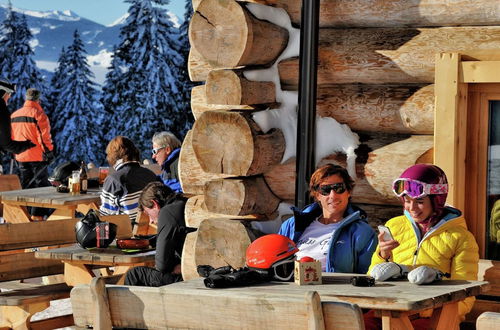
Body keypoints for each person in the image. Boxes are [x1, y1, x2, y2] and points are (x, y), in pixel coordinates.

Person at [366, 164, 479, 329]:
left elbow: (465, 296)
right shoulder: (395, 226)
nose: (412, 208)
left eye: (419, 201)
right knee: (356, 322)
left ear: (436, 200)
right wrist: (382, 256)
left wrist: (424, 310)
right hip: (391, 308)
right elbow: (372, 277)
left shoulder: (461, 238)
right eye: (407, 201)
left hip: (433, 316)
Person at [278, 163, 377, 273]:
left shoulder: (362, 232)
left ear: (349, 192)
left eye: (339, 188)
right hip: (290, 288)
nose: (333, 195)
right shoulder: (291, 226)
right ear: (317, 195)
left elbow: (367, 274)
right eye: (325, 190)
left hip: (334, 288)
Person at [124, 182, 194, 287]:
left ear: (155, 204)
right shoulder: (184, 203)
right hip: (201, 266)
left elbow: (162, 265)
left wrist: (178, 266)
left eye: (148, 214)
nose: (151, 221)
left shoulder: (167, 212)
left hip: (190, 275)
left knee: (134, 275)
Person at [99, 136, 157, 227]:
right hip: (150, 229)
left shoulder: (114, 180)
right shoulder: (150, 174)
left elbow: (105, 216)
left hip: (126, 233)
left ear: (113, 156)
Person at [0, 80, 35, 157]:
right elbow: (7, 144)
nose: (10, 96)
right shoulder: (2, 111)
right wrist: (28, 144)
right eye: (9, 93)